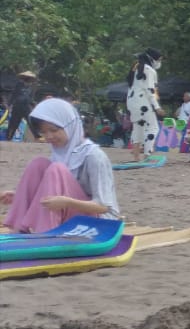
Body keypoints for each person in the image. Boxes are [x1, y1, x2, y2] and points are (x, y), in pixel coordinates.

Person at [2, 98, 120, 233]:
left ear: (69, 125)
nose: (49, 136)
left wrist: (67, 202)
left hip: (99, 223)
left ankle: (46, 232)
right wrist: (21, 196)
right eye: (44, 132)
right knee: (38, 164)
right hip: (69, 214)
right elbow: (57, 190)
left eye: (54, 130)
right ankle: (19, 229)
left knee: (56, 169)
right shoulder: (60, 153)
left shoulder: (94, 156)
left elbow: (105, 206)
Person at [125, 48, 164, 162]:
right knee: (153, 127)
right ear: (152, 59)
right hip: (143, 103)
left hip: (132, 102)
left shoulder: (136, 67)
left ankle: (136, 156)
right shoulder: (149, 70)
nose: (159, 62)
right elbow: (150, 91)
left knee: (138, 128)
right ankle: (147, 154)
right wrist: (157, 107)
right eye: (159, 60)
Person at [6, 70, 35, 141]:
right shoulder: (19, 85)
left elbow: (30, 98)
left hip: (26, 107)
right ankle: (9, 138)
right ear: (26, 78)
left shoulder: (31, 87)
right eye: (29, 79)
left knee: (31, 121)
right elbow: (13, 95)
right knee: (14, 123)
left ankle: (38, 137)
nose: (30, 81)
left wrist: (33, 104)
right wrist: (9, 105)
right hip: (17, 106)